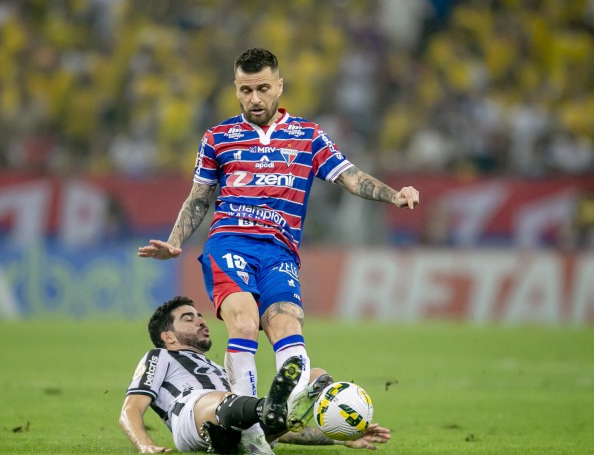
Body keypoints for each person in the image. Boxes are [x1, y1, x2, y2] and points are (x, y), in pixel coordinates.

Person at [137, 47, 419, 436]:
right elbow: (200, 197)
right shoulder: (218, 137)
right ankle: (244, 421)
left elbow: (350, 177)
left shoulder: (308, 135)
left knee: (287, 325)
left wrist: (394, 194)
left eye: (263, 88)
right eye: (246, 90)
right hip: (229, 242)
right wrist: (175, 241)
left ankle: (289, 409)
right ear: (236, 89)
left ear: (280, 86)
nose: (255, 98)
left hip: (280, 252)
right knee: (245, 320)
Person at [119, 296, 391, 454]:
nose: (201, 320)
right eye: (188, 318)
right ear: (168, 337)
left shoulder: (216, 368)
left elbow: (278, 432)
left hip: (238, 416)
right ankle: (261, 411)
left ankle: (239, 436)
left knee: (316, 376)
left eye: (199, 315)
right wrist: (146, 446)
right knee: (221, 399)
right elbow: (130, 410)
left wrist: (337, 435)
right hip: (190, 417)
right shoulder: (159, 357)